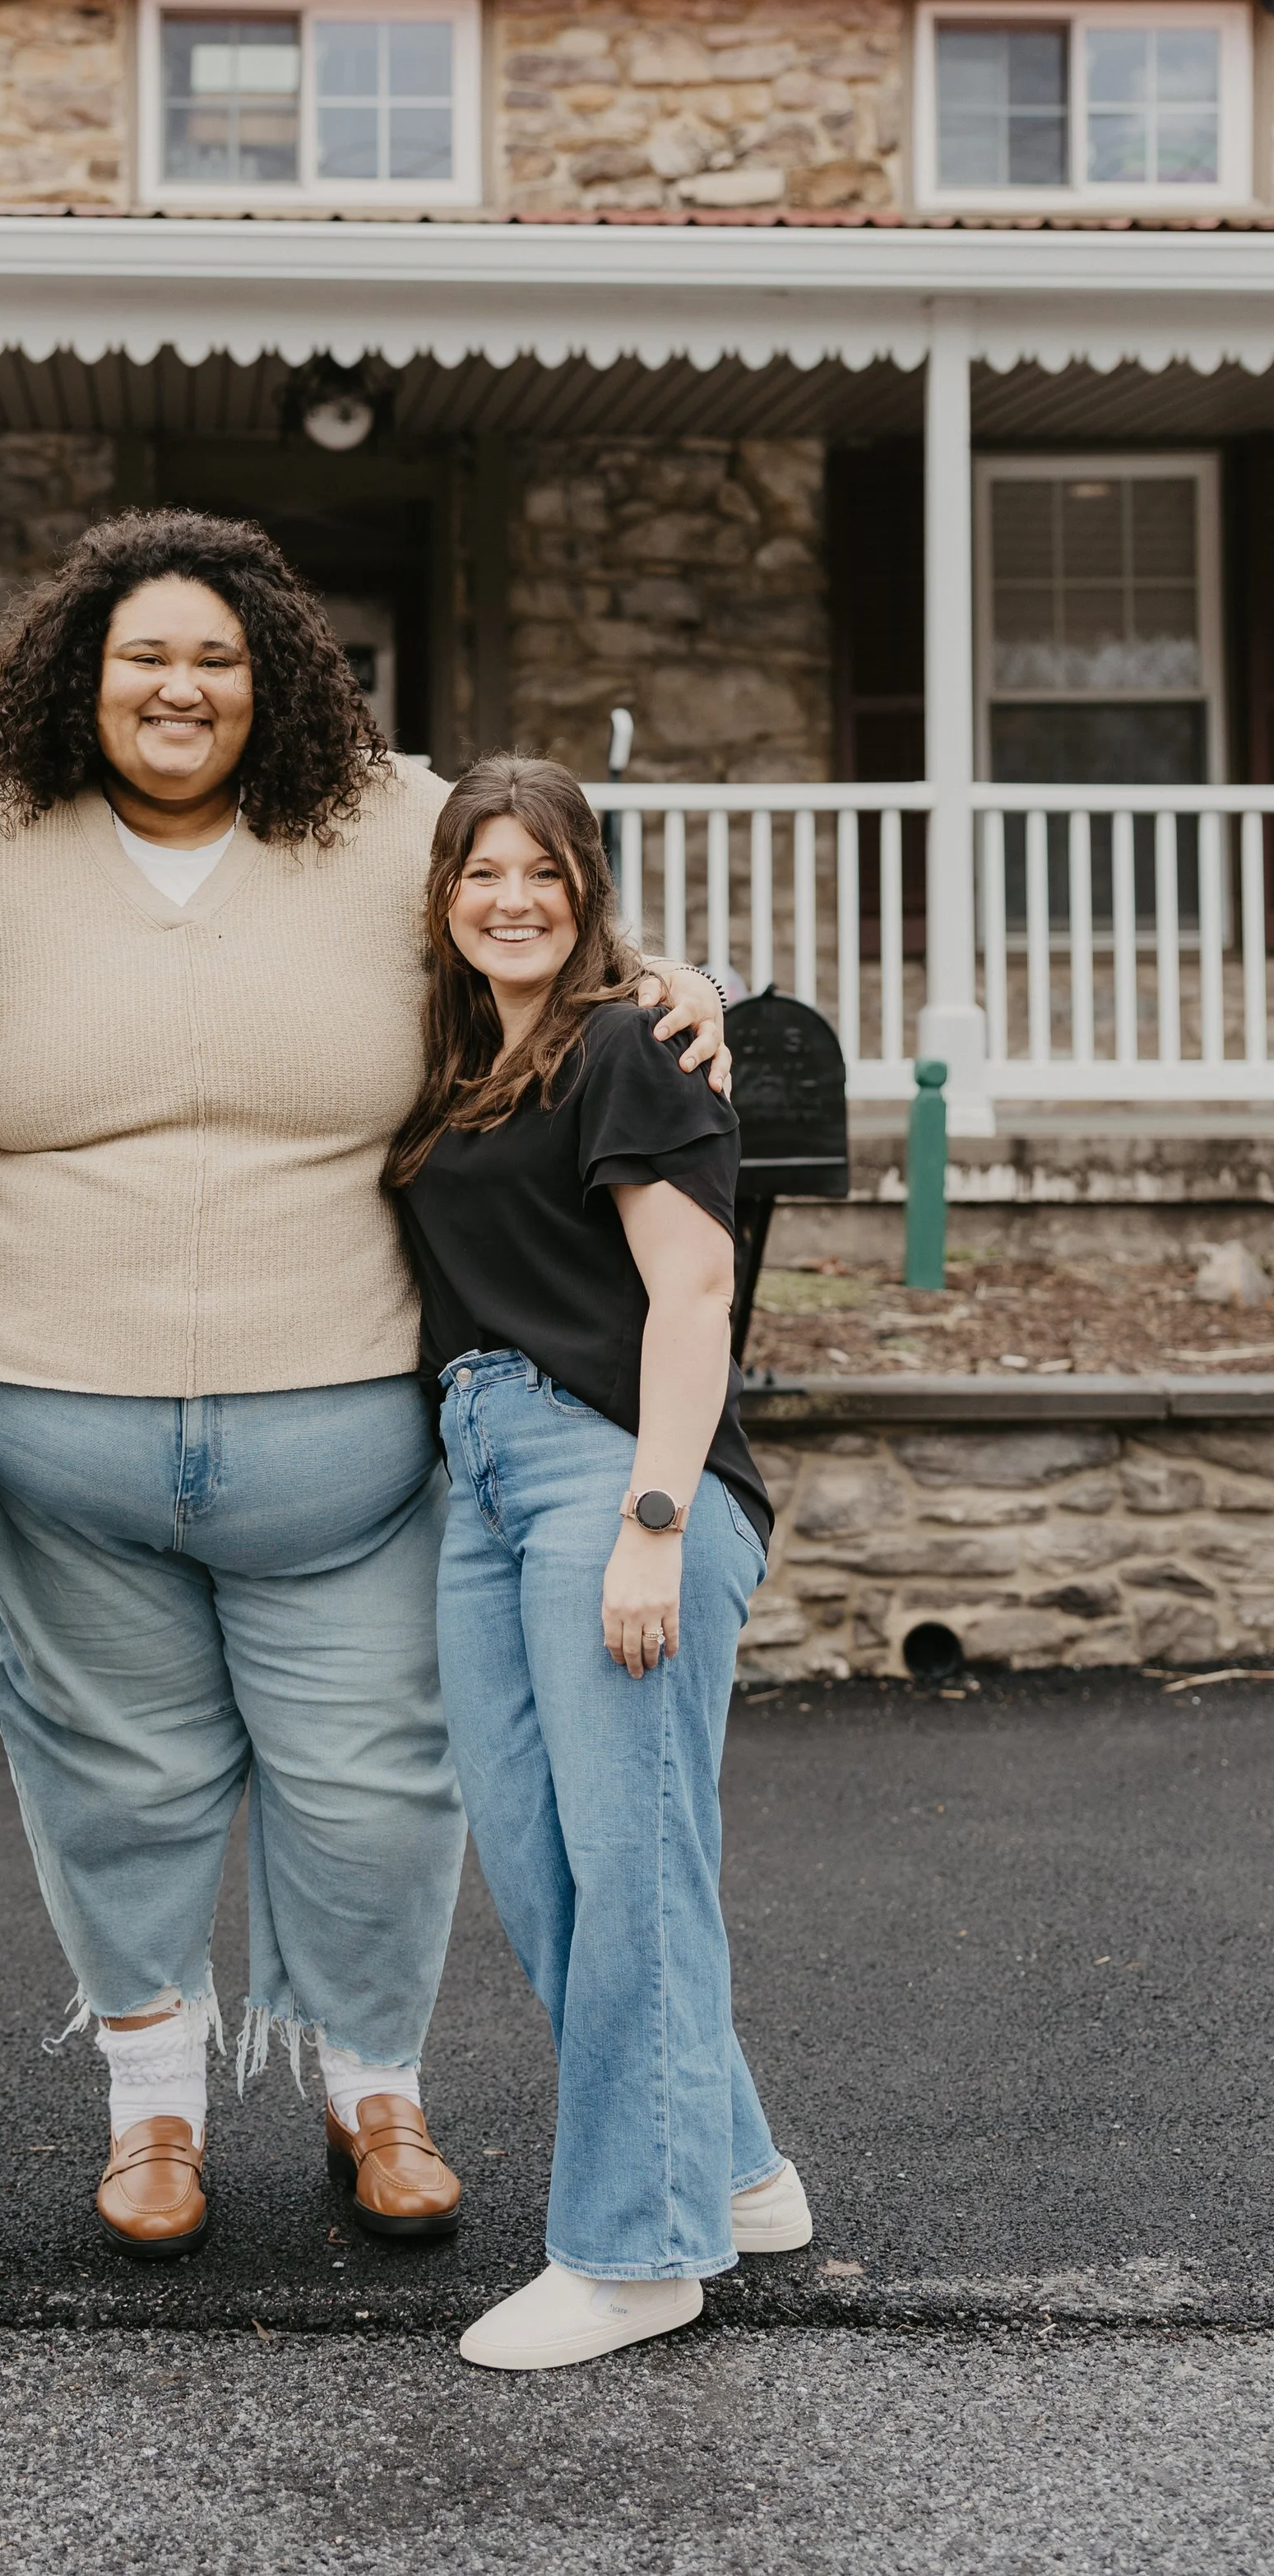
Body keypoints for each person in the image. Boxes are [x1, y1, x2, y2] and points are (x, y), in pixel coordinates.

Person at [0, 512, 731, 2263]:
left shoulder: (393, 822)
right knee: (113, 1785)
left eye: (217, 658)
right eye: (143, 656)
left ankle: (371, 2089)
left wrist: (673, 981)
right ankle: (149, 2109)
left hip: (346, 1436)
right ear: (80, 675)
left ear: (277, 679)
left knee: (373, 1785)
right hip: (47, 1431)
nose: (178, 687)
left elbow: (541, 913)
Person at [387, 754, 811, 2374]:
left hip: (616, 1469)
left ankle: (638, 2254)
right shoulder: (457, 1065)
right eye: (478, 873)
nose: (508, 899)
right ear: (440, 896)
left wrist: (652, 1521)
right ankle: (734, 2169)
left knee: (633, 1862)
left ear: (585, 892)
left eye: (541, 874)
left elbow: (691, 1302)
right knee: (548, 1865)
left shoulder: (630, 1044)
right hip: (481, 1467)